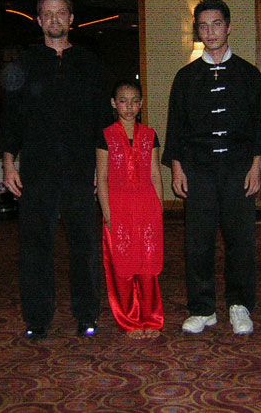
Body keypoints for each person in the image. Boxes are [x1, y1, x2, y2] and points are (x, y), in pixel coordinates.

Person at [0, 0, 112, 340]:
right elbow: (11, 118)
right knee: (36, 247)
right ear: (38, 21)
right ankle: (37, 319)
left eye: (60, 13)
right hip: (38, 169)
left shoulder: (90, 63)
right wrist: (8, 163)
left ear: (71, 19)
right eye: (47, 14)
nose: (54, 20)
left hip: (81, 167)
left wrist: (102, 170)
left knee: (85, 246)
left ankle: (87, 315)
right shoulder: (25, 64)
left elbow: (103, 123)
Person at [163, 0, 261, 335]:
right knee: (198, 241)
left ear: (228, 27)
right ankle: (202, 308)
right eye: (203, 26)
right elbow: (176, 126)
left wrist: (256, 167)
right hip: (199, 168)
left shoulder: (249, 74)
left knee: (241, 239)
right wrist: (178, 168)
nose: (210, 32)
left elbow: (260, 126)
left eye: (216, 24)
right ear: (198, 31)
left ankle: (240, 305)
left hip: (239, 167)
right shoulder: (186, 77)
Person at [96, 80, 164, 340]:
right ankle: (128, 319)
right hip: (119, 208)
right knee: (122, 267)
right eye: (123, 101)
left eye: (135, 101)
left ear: (141, 104)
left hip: (146, 207)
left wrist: (158, 209)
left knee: (148, 266)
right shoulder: (106, 136)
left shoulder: (149, 135)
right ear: (114, 103)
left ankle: (151, 318)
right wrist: (107, 213)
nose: (129, 106)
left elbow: (155, 175)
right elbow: (102, 178)